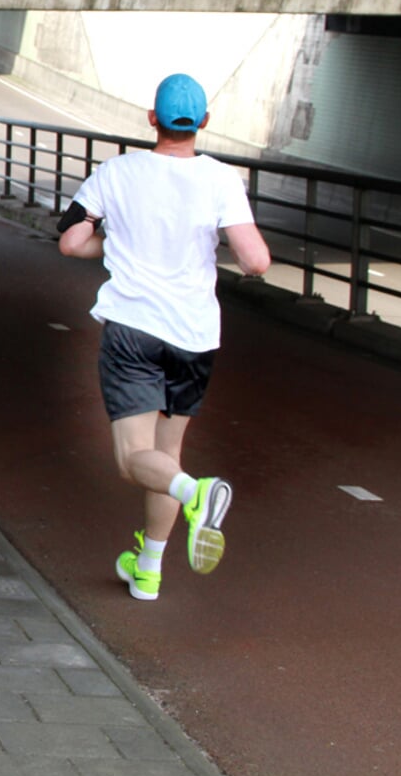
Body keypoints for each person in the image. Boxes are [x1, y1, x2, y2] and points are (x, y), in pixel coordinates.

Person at [56, 73, 271, 602]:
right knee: (167, 453)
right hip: (194, 336)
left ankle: (195, 493)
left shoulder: (117, 172)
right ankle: (148, 567)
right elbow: (256, 260)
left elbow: (71, 240)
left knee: (135, 460)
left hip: (134, 331)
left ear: (152, 119)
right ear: (202, 122)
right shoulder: (223, 179)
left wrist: (115, 245)